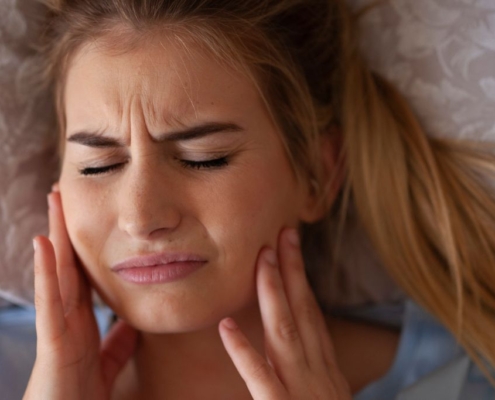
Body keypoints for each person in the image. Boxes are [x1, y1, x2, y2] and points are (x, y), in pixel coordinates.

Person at [23, 0, 495, 399]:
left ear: (317, 175)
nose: (141, 217)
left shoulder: (460, 382)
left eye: (204, 158)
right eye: (97, 166)